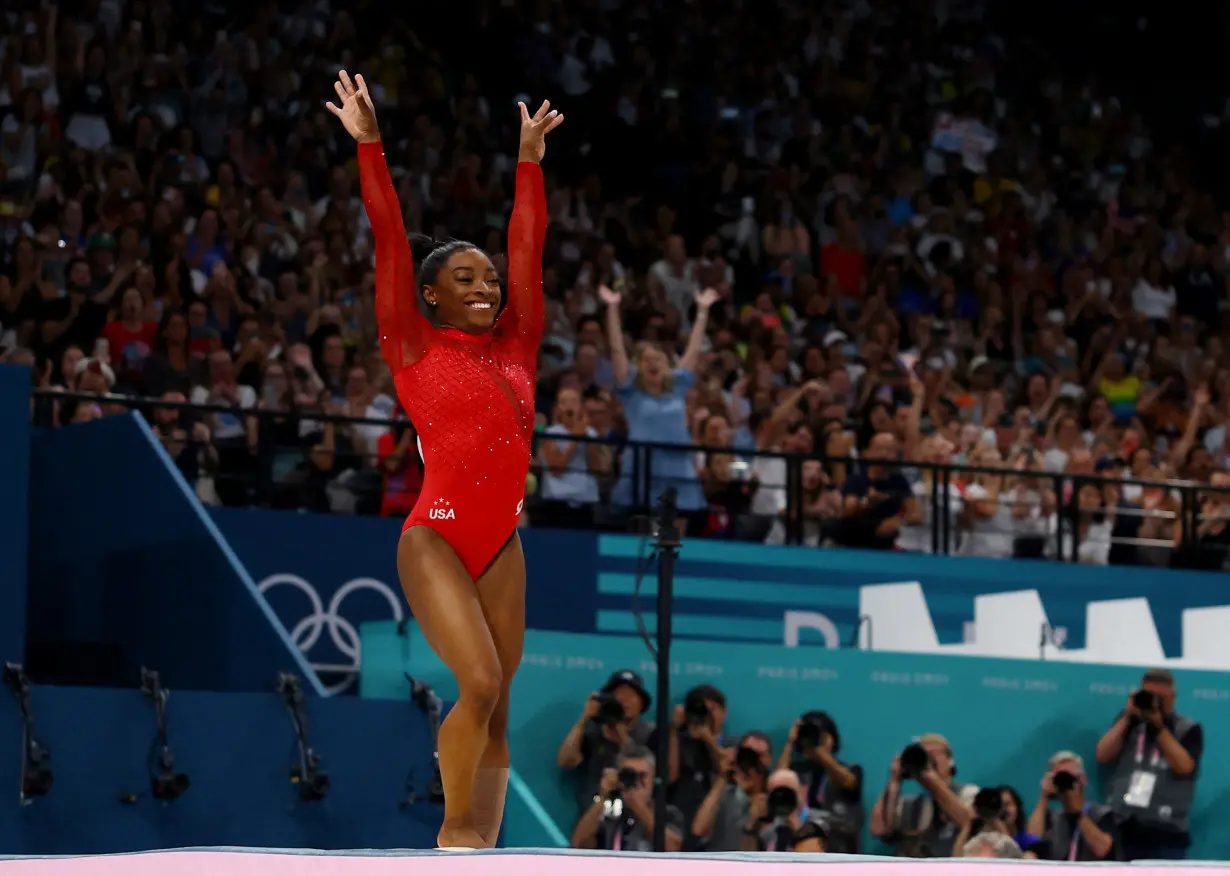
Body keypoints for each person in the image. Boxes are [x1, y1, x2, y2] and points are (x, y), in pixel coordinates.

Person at [327, 70, 563, 850]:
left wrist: (529, 160)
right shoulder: (411, 341)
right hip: (435, 537)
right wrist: (370, 146)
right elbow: (389, 236)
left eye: (489, 279)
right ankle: (454, 837)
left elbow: (527, 244)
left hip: (501, 542)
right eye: (466, 279)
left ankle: (484, 849)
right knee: (481, 682)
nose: (488, 287)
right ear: (429, 296)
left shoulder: (518, 343)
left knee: (500, 704)